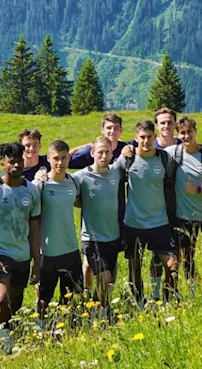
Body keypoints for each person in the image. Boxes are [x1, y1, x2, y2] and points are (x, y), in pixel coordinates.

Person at [0, 142, 42, 355]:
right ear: (2, 163)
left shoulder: (31, 191)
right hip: (0, 256)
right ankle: (0, 351)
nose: (16, 165)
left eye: (19, 160)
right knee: (1, 298)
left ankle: (11, 343)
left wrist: (37, 262)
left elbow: (34, 228)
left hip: (22, 256)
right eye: (11, 161)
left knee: (15, 302)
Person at [117, 119, 179, 303]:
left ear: (155, 137)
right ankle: (138, 302)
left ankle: (167, 302)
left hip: (159, 223)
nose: (146, 141)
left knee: (172, 265)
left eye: (149, 137)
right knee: (134, 267)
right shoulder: (127, 158)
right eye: (142, 137)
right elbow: (110, 175)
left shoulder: (164, 159)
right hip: (133, 224)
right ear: (135, 138)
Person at [168, 116, 202, 294]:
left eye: (189, 132)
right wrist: (128, 148)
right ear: (178, 134)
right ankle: (194, 289)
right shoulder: (172, 153)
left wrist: (198, 189)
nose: (186, 136)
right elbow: (148, 149)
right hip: (185, 217)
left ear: (195, 132)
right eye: (182, 133)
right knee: (187, 256)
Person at [34, 140, 85, 327]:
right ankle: (41, 328)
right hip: (47, 252)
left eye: (63, 158)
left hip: (70, 248)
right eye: (55, 158)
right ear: (48, 159)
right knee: (44, 297)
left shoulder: (73, 181)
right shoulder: (40, 184)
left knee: (72, 295)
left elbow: (79, 201)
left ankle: (68, 327)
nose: (59, 162)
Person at [76, 135, 124, 317]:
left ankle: (100, 311)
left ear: (112, 153)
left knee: (110, 281)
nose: (103, 156)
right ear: (92, 153)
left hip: (113, 235)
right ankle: (95, 311)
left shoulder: (116, 171)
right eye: (100, 153)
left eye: (107, 152)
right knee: (105, 278)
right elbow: (64, 187)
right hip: (92, 237)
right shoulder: (81, 176)